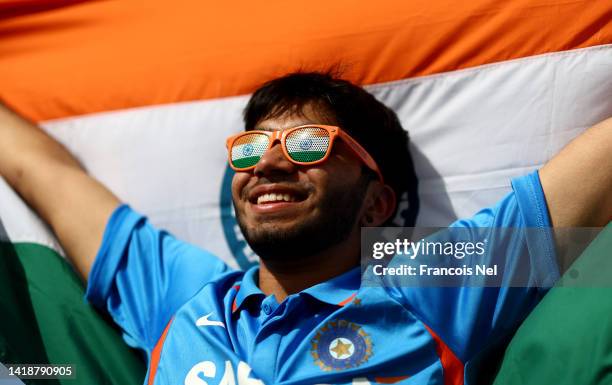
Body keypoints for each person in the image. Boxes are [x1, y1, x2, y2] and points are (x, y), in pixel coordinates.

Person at [0, 72, 610, 385]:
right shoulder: (179, 294)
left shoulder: (429, 292)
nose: (267, 161)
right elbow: (42, 172)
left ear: (377, 205)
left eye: (309, 143)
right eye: (250, 147)